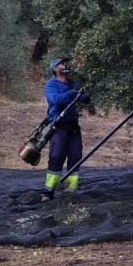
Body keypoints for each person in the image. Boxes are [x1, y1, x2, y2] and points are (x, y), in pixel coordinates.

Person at [43, 56, 91, 198]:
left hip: (73, 126)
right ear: (55, 69)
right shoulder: (51, 85)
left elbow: (82, 99)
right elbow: (56, 100)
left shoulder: (73, 83)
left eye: (65, 63)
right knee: (56, 156)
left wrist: (86, 96)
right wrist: (73, 92)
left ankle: (71, 191)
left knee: (76, 157)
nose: (64, 65)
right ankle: (49, 191)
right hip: (59, 126)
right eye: (61, 64)